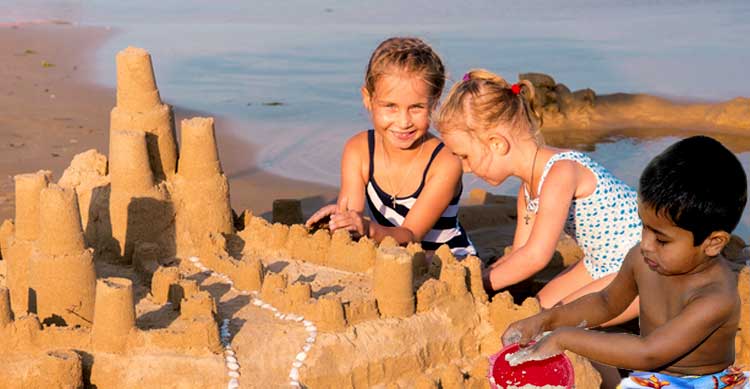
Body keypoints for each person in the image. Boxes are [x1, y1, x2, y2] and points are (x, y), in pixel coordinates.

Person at [501, 135, 748, 388]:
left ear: (713, 242)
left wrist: (564, 337)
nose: (647, 244)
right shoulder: (643, 259)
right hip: (652, 375)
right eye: (645, 227)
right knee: (584, 352)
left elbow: (649, 352)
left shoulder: (715, 297)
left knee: (575, 341)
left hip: (698, 382)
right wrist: (548, 320)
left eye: (662, 240)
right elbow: (606, 302)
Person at [434, 69, 641, 317]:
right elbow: (521, 254)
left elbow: (537, 256)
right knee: (539, 308)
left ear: (497, 143)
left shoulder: (561, 172)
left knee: (556, 320)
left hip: (644, 266)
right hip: (600, 264)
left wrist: (477, 283)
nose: (464, 167)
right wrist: (484, 275)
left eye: (465, 156)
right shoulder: (527, 192)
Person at [304, 37, 475, 257]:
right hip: (389, 259)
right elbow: (353, 215)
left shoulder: (445, 162)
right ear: (368, 99)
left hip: (448, 263)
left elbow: (411, 235)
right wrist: (342, 221)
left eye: (416, 107)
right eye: (390, 106)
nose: (403, 122)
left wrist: (367, 228)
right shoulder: (359, 150)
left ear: (434, 102)